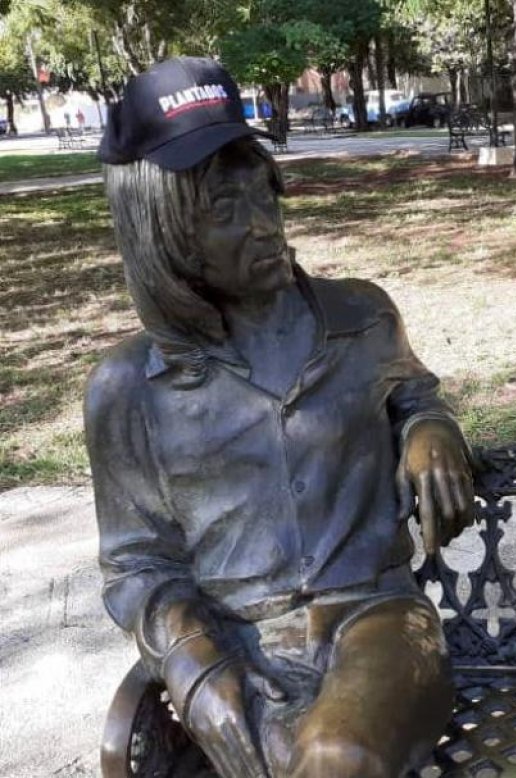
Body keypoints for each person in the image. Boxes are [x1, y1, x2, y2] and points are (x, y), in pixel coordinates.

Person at [86, 57, 475, 778]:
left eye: (262, 195)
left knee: (334, 756)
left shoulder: (361, 317)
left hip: (379, 622)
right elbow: (138, 564)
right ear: (160, 228)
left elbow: (414, 396)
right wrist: (195, 667)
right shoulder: (126, 390)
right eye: (222, 212)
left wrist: (431, 432)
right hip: (234, 643)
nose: (263, 227)